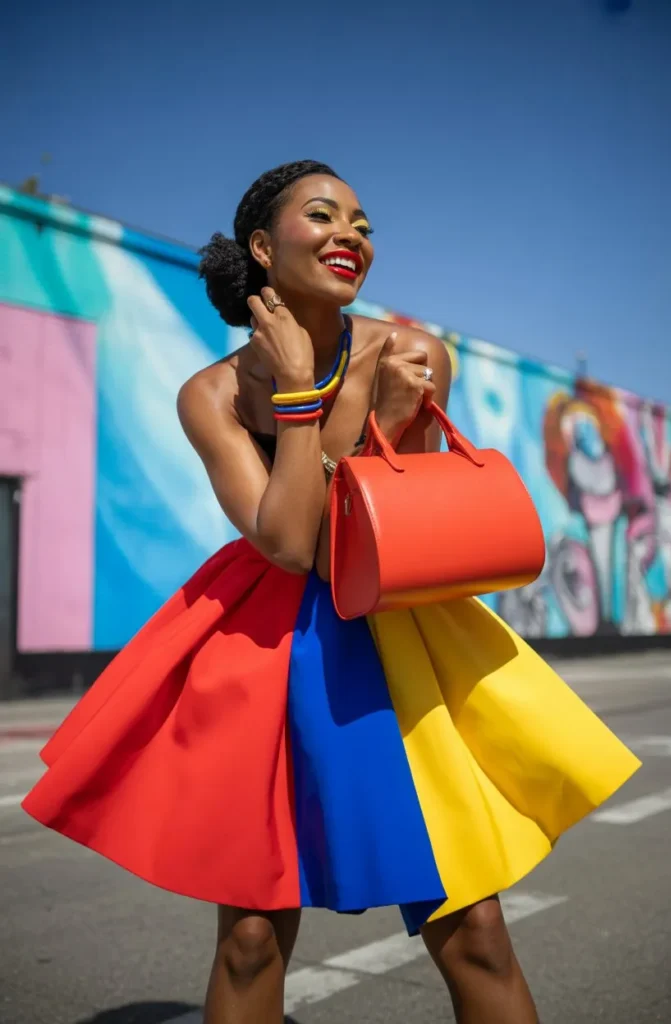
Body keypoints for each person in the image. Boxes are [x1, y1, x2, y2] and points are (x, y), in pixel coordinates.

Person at [23, 160, 640, 1024]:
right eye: (324, 216)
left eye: (363, 223)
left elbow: (379, 535)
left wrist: (377, 420)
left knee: (476, 932)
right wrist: (324, 394)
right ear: (264, 249)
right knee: (248, 943)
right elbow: (282, 543)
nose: (352, 234)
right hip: (263, 655)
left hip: (397, 642)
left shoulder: (415, 354)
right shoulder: (208, 393)